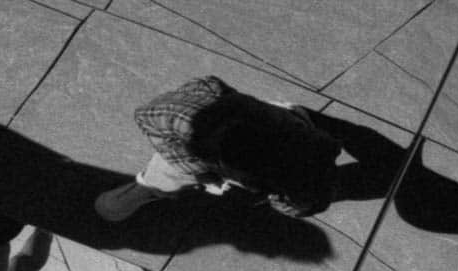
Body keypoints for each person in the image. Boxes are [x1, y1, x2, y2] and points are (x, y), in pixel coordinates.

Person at [94, 75, 340, 223]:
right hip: (208, 130)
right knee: (173, 170)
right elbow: (146, 116)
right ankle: (152, 186)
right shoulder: (187, 121)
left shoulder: (314, 148)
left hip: (271, 125)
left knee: (292, 185)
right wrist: (198, 170)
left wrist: (287, 198)